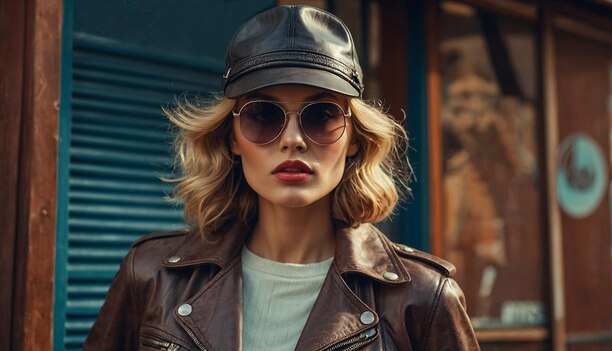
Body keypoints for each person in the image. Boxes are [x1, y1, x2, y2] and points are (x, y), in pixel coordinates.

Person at [85, 5, 480, 350]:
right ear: (233, 139)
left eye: (322, 115)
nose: (292, 140)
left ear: (355, 139)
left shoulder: (424, 298)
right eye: (263, 115)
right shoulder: (151, 276)